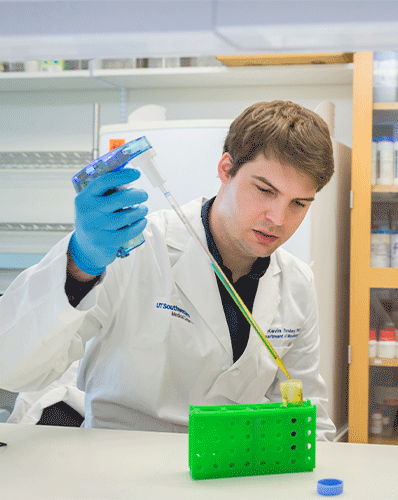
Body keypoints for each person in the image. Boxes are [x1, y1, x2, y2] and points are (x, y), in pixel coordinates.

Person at [0, 100, 336, 440]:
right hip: (118, 464)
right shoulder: (135, 249)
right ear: (226, 169)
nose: (278, 219)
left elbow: (306, 416)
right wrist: (79, 264)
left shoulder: (296, 282)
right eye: (265, 190)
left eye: (299, 204)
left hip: (225, 470)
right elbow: (11, 368)